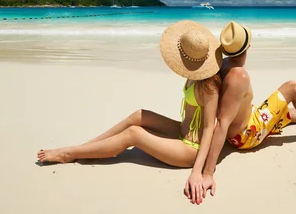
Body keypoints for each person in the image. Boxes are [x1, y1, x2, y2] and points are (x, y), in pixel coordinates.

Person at [37, 20, 223, 200]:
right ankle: (85, 148)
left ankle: (70, 153)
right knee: (139, 115)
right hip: (183, 130)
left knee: (133, 134)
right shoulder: (195, 74)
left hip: (191, 149)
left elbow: (209, 127)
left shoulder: (209, 87)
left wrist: (197, 172)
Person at [185, 21, 296, 204]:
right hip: (246, 136)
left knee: (278, 111)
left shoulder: (221, 65)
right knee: (292, 87)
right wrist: (207, 173)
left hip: (246, 121)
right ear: (248, 46)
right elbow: (222, 122)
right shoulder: (239, 76)